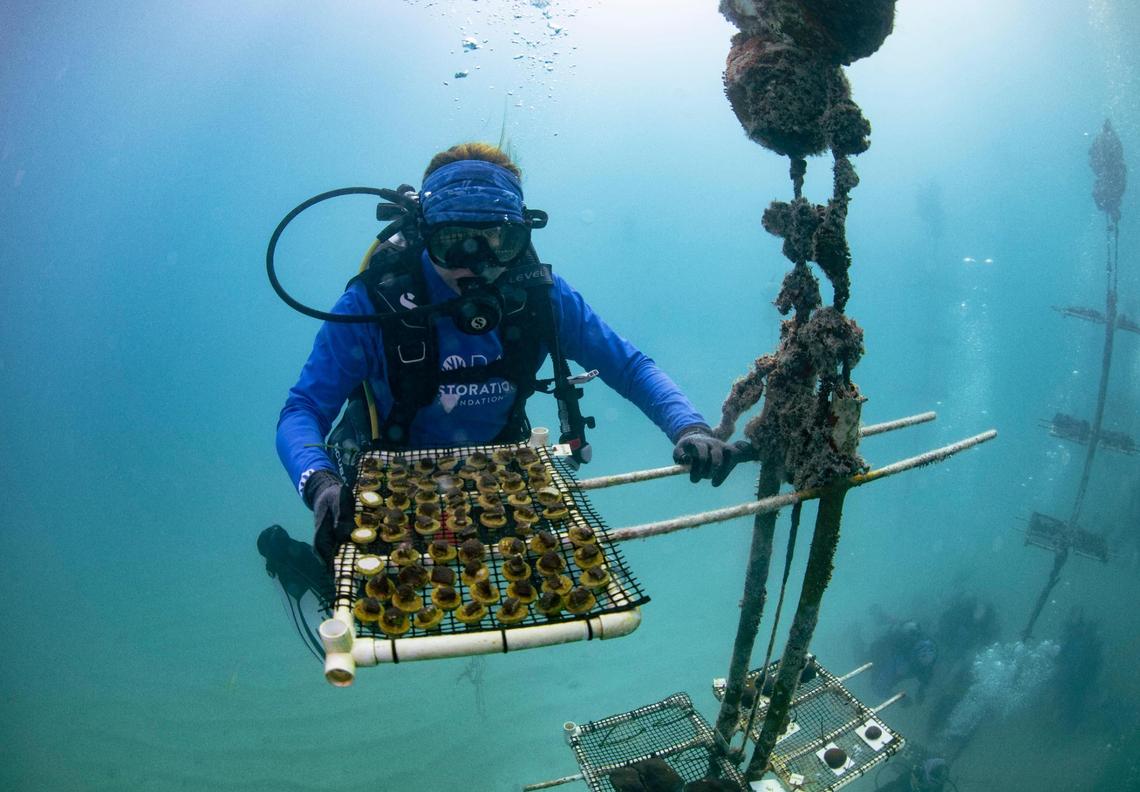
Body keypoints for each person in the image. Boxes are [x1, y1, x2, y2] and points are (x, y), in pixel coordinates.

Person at [276, 143, 740, 562]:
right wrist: (320, 483)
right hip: (386, 475)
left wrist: (689, 427)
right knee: (358, 578)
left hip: (495, 472)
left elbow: (629, 366)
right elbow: (304, 409)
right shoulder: (374, 304)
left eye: (500, 241)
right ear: (425, 232)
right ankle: (296, 567)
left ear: (522, 237)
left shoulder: (542, 297)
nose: (476, 267)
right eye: (454, 244)